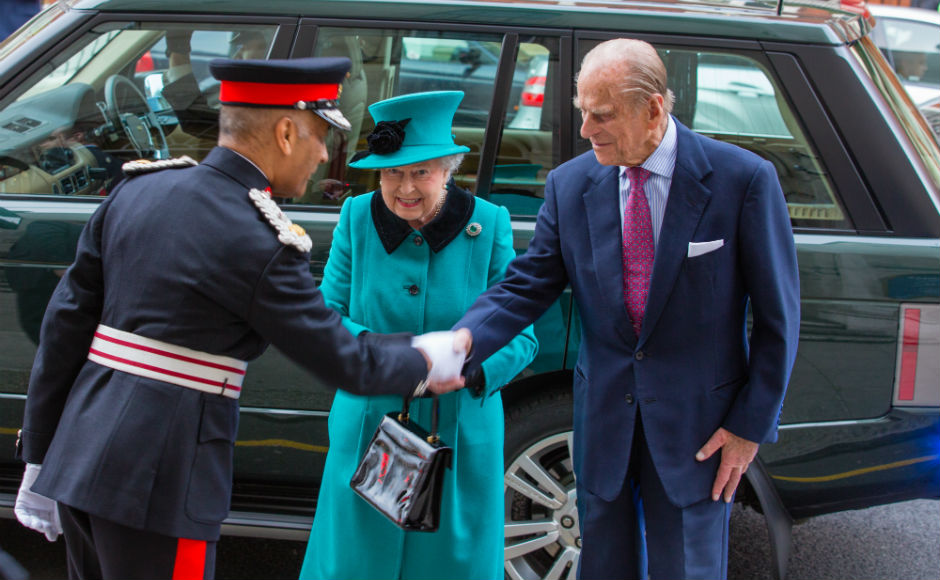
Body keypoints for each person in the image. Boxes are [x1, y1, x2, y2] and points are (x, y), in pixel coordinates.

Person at [12, 57, 465, 580]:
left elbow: (65, 326)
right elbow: (343, 359)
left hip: (79, 458)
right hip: (161, 479)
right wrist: (428, 357)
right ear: (287, 131)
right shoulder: (256, 238)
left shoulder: (137, 191)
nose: (324, 155)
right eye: (321, 136)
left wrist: (41, 451)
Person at [453, 38, 800, 579]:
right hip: (604, 424)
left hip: (700, 432)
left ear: (655, 108)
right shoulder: (570, 185)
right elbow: (527, 284)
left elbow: (778, 320)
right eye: (583, 113)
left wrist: (749, 428)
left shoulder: (742, 180)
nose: (587, 130)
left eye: (604, 115)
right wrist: (463, 342)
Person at [298, 91, 537, 580]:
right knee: (355, 563)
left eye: (420, 172)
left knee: (450, 564)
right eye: (392, 173)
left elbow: (521, 332)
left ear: (448, 171)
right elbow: (326, 314)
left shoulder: (489, 224)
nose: (404, 187)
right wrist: (393, 356)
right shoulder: (357, 218)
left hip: (460, 432)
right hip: (368, 426)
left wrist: (465, 366)